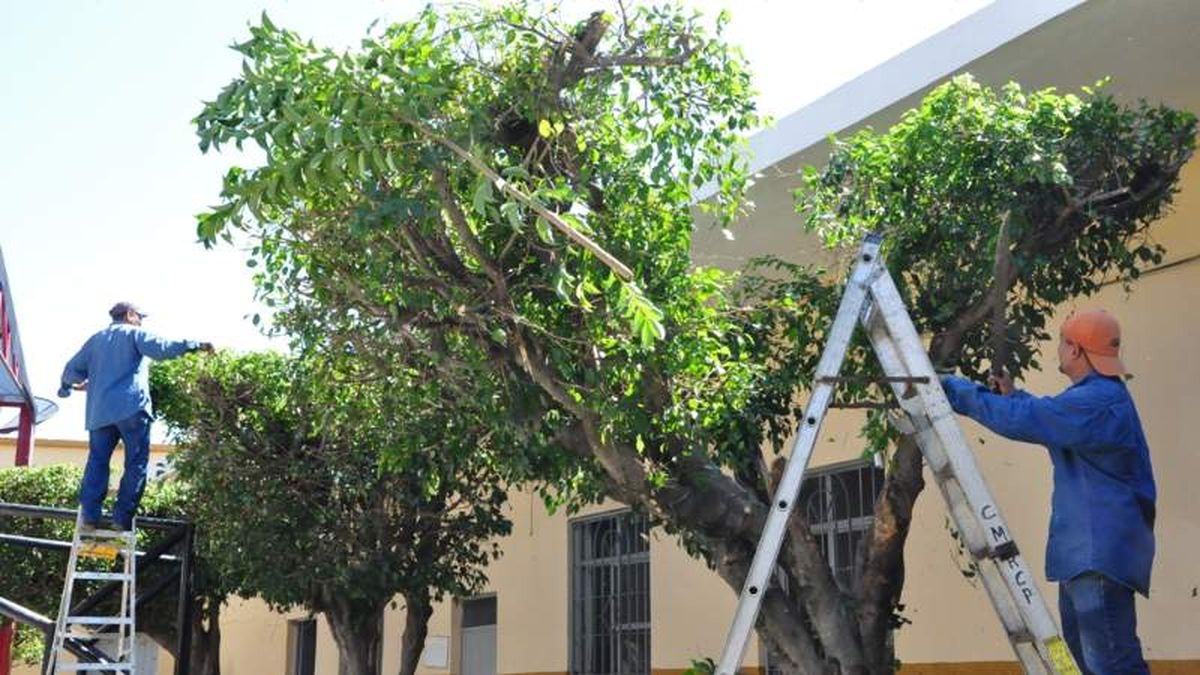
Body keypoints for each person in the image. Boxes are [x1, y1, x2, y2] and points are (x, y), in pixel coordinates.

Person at [940, 309, 1155, 674]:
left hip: (1096, 557)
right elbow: (1046, 415)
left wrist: (947, 387)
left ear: (1075, 350)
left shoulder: (1097, 402)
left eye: (1062, 341)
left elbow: (1027, 420)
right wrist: (1014, 395)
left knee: (1111, 666)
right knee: (1083, 664)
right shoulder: (1093, 400)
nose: (1059, 349)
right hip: (1086, 556)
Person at [58, 302, 213, 531]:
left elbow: (70, 371)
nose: (141, 321)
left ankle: (90, 516)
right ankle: (121, 519)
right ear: (130, 315)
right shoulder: (134, 334)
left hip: (99, 413)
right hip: (132, 409)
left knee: (97, 461)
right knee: (136, 462)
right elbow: (163, 348)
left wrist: (67, 388)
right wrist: (194, 345)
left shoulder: (95, 340)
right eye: (140, 316)